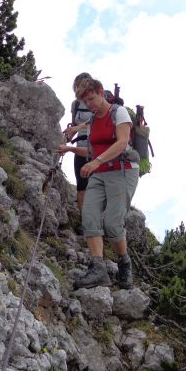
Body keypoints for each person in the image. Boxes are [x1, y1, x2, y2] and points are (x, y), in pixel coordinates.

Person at [57, 78, 139, 289]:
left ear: (101, 92)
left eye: (92, 99)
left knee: (112, 224)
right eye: (86, 102)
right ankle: (98, 269)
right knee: (89, 217)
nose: (90, 105)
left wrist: (96, 162)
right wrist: (70, 149)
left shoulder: (118, 113)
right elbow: (93, 151)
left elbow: (121, 143)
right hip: (99, 173)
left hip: (122, 172)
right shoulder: (92, 121)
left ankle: (124, 262)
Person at [62, 72, 93, 213]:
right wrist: (68, 136)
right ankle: (85, 222)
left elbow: (97, 120)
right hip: (81, 149)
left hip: (98, 149)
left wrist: (76, 128)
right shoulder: (75, 104)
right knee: (81, 187)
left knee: (97, 188)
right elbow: (75, 125)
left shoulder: (99, 100)